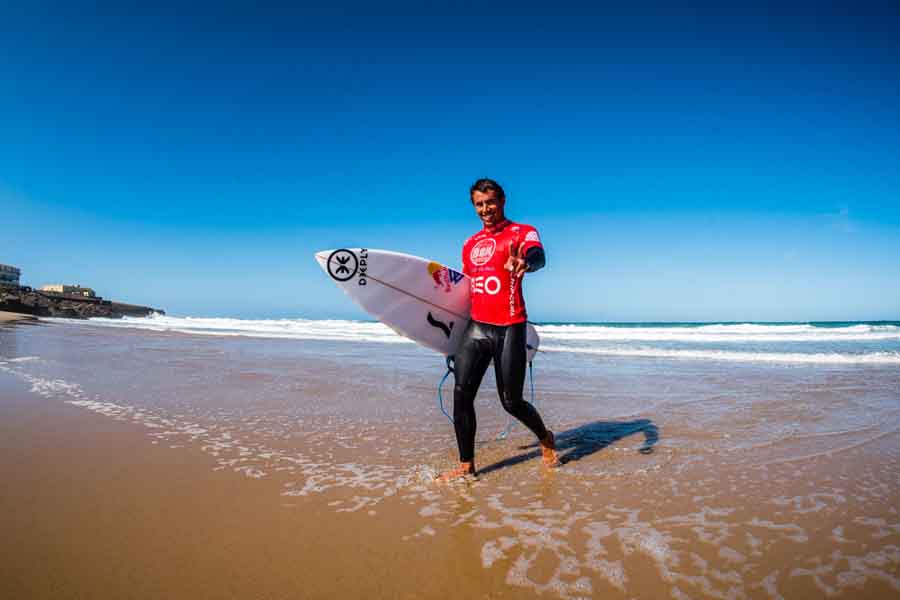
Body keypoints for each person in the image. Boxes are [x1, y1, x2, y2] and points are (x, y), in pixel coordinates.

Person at [437, 178, 559, 481]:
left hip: (510, 327)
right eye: (479, 204)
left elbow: (538, 256)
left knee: (511, 402)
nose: (485, 209)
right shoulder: (469, 244)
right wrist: (454, 338)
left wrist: (526, 264)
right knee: (462, 397)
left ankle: (545, 437)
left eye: (490, 202)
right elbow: (466, 293)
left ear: (502, 200)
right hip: (476, 328)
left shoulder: (521, 232)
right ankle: (467, 466)